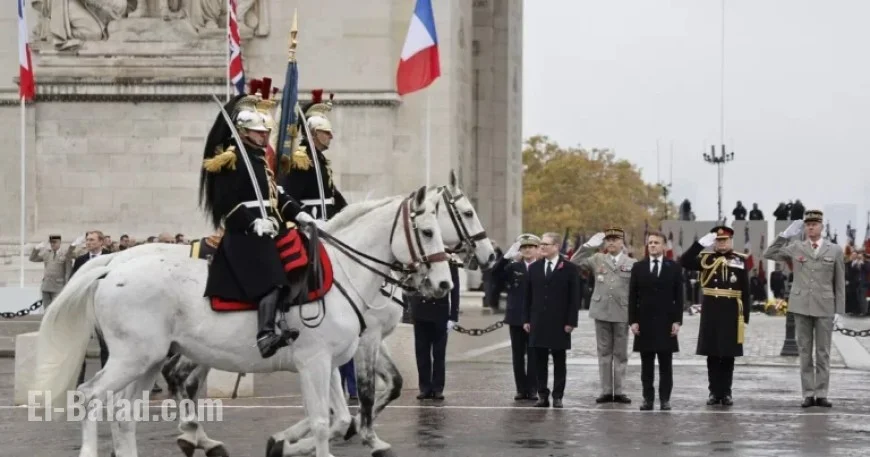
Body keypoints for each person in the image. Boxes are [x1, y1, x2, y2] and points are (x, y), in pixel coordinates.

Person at [199, 92, 316, 359]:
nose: (264, 136)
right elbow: (225, 203)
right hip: (244, 236)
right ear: (242, 132)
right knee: (273, 280)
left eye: (264, 132)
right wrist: (253, 224)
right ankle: (265, 335)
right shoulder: (231, 159)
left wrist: (300, 214)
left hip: (270, 231)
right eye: (257, 132)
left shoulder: (258, 161)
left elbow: (277, 197)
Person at [763, 210, 845, 408]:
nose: (811, 227)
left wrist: (839, 311)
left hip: (825, 306)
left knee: (823, 353)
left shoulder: (834, 250)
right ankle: (808, 393)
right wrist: (785, 235)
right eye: (808, 224)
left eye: (815, 224)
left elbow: (839, 282)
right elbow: (769, 253)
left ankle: (822, 393)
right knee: (805, 352)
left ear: (821, 227)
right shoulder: (796, 246)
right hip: (801, 306)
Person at [679, 224, 751, 406]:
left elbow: (745, 289)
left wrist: (745, 317)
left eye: (724, 240)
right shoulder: (706, 259)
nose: (721, 243)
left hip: (731, 311)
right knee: (712, 354)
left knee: (728, 355)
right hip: (711, 311)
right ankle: (713, 392)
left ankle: (726, 392)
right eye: (718, 240)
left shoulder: (739, 260)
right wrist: (700, 244)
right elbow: (684, 260)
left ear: (730, 241)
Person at [570, 227, 635, 404]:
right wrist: (588, 246)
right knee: (604, 352)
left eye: (615, 239)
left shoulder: (631, 263)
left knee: (620, 353)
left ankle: (619, 390)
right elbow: (574, 262)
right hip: (601, 310)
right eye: (608, 239)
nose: (611, 242)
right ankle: (606, 390)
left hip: (622, 311)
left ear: (622, 242)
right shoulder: (597, 258)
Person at [524, 232, 582, 408]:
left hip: (559, 322)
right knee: (539, 359)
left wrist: (571, 321)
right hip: (538, 321)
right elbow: (528, 296)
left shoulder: (570, 268)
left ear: (556, 247)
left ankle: (558, 396)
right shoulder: (534, 268)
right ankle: (543, 395)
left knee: (559, 359)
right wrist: (526, 319)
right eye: (541, 244)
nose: (541, 247)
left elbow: (575, 298)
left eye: (546, 244)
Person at [629, 231, 683, 411]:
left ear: (664, 246)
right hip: (644, 323)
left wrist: (677, 321)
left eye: (656, 242)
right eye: (650, 243)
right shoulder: (638, 267)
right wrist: (633, 321)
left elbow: (679, 297)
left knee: (666, 364)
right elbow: (632, 296)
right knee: (647, 366)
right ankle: (648, 399)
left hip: (666, 322)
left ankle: (665, 399)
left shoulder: (674, 267)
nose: (652, 245)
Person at [279, 89, 348, 221]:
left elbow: (333, 194)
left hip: (328, 221)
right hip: (312, 223)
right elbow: (290, 196)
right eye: (326, 132)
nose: (331, 136)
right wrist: (307, 218)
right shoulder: (301, 160)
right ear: (314, 133)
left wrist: (349, 212)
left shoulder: (318, 159)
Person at [494, 233, 540, 400]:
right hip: (516, 316)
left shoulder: (541, 267)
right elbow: (495, 274)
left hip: (535, 318)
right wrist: (506, 257)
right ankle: (521, 389)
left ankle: (533, 388)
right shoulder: (514, 267)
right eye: (524, 247)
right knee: (518, 355)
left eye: (531, 247)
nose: (527, 250)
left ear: (537, 249)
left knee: (534, 354)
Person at [406, 261, 461, 400]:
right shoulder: (416, 262)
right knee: (422, 354)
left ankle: (437, 388)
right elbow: (409, 286)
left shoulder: (449, 264)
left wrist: (453, 316)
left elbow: (455, 290)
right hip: (420, 313)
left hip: (440, 313)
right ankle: (424, 388)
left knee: (439, 354)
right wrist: (409, 311)